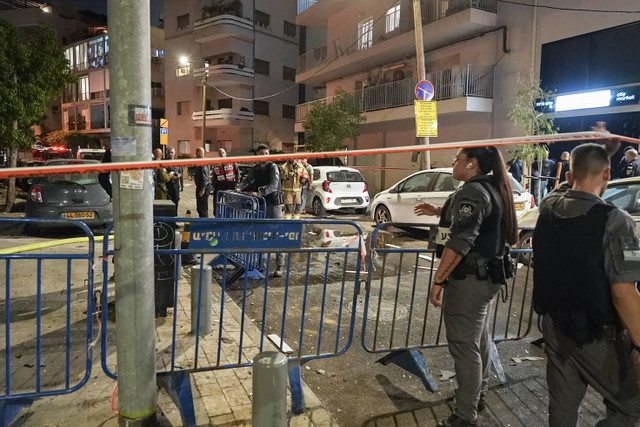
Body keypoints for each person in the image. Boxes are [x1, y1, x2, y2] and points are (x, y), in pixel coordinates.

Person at [532, 143, 640, 427]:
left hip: (555, 328)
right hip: (599, 337)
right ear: (607, 175)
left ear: (568, 178)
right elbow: (625, 294)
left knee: (562, 407)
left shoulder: (549, 209)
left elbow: (562, 189)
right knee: (630, 407)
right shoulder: (617, 221)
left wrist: (597, 155)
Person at [414, 146, 518, 427]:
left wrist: (438, 279)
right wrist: (439, 210)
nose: (453, 163)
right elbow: (478, 223)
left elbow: (461, 241)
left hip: (471, 280)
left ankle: (464, 416)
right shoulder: (490, 187)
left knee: (464, 348)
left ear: (471, 164)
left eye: (457, 159)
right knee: (478, 341)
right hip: (486, 278)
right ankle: (476, 396)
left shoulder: (474, 191)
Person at [240, 144, 285, 277]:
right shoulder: (256, 168)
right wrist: (240, 188)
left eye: (266, 153)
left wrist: (258, 192)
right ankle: (261, 263)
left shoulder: (273, 167)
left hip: (273, 204)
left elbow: (274, 185)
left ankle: (280, 265)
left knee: (276, 234)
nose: (264, 156)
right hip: (261, 204)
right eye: (261, 153)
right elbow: (248, 180)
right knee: (259, 234)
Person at [211, 147, 239, 216]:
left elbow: (237, 171)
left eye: (223, 153)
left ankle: (229, 215)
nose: (222, 154)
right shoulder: (216, 163)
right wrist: (213, 185)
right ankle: (217, 215)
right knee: (216, 200)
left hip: (230, 183)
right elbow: (214, 175)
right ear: (218, 154)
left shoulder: (231, 161)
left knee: (229, 201)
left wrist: (237, 182)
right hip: (220, 184)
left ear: (225, 153)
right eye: (220, 153)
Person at [194, 147, 211, 218]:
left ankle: (204, 223)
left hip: (203, 187)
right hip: (201, 186)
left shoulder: (202, 162)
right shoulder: (200, 162)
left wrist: (202, 189)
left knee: (202, 207)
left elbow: (205, 177)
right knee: (200, 207)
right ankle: (202, 221)